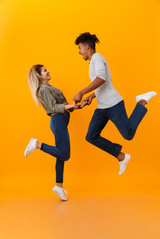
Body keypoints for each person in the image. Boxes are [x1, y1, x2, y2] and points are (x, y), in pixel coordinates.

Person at [74, 32, 157, 175]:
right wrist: (92, 97)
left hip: (113, 104)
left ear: (87, 47)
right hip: (102, 107)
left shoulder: (97, 58)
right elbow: (101, 83)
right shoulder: (92, 63)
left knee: (128, 134)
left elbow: (102, 78)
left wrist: (82, 92)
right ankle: (121, 156)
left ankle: (142, 101)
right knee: (91, 136)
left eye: (80, 48)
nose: (79, 52)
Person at [24, 64, 86, 200]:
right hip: (58, 121)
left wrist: (79, 105)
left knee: (60, 155)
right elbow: (55, 107)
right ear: (39, 76)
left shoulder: (49, 88)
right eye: (45, 71)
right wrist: (72, 106)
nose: (48, 71)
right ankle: (37, 144)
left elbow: (64, 106)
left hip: (61, 120)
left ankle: (59, 186)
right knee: (65, 154)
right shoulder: (44, 89)